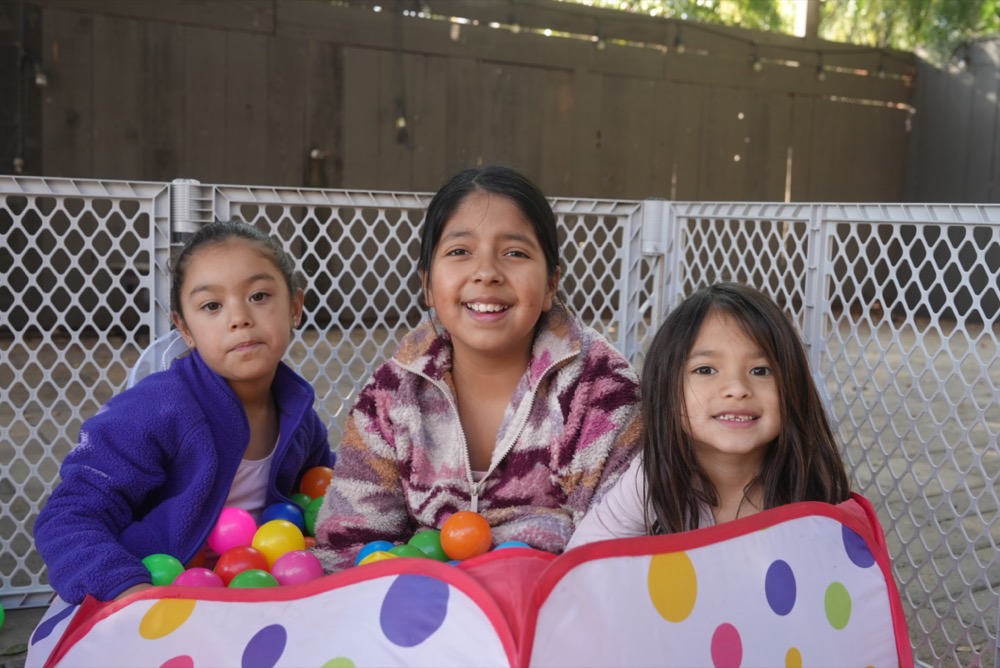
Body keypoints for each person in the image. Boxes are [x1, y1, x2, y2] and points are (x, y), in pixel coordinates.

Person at [311, 165, 641, 572]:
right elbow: (345, 546)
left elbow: (621, 547)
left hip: (555, 615)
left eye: (515, 253)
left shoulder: (601, 389)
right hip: (420, 617)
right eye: (460, 252)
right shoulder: (392, 395)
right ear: (428, 285)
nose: (486, 273)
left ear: (551, 285)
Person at [33, 220, 334, 605]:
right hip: (155, 595)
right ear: (185, 328)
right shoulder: (157, 408)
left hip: (260, 592)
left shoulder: (298, 414)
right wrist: (127, 588)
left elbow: (323, 494)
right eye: (212, 305)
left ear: (294, 307)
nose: (239, 317)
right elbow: (68, 515)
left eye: (259, 296)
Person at [566, 282, 853, 548]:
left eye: (761, 370)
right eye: (705, 370)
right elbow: (584, 560)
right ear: (666, 387)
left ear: (794, 386)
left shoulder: (808, 478)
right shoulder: (653, 478)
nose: (738, 389)